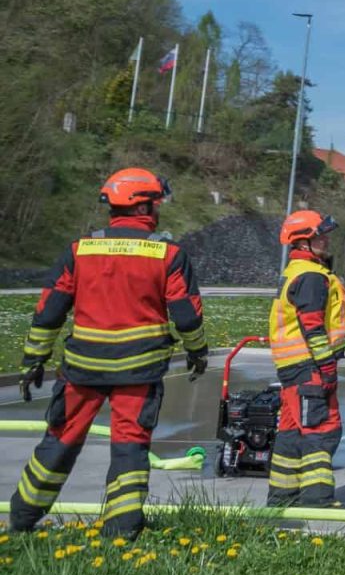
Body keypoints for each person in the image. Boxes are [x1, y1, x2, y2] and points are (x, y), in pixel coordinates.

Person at [9, 168, 206, 538]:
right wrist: (198, 353)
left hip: (81, 370)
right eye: (156, 203)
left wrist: (33, 359)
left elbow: (49, 309)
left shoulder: (80, 250)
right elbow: (187, 315)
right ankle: (122, 532)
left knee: (60, 441)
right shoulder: (167, 254)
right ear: (145, 205)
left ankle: (20, 522)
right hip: (139, 372)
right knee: (129, 448)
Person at [266, 210, 345, 508]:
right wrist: (326, 367)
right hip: (309, 366)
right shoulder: (312, 277)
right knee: (321, 429)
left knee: (290, 431)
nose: (326, 240)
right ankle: (317, 499)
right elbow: (312, 326)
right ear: (303, 241)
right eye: (320, 236)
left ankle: (282, 497)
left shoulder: (295, 272)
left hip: (293, 366)